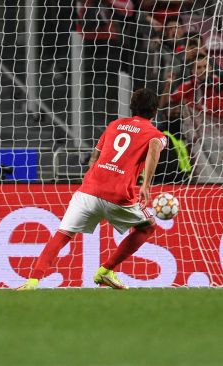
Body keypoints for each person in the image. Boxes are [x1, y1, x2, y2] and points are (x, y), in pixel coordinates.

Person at [18, 88, 167, 290]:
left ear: (132, 107)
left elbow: (94, 157)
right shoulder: (156, 134)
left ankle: (32, 281)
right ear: (155, 111)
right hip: (118, 195)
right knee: (148, 226)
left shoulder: (114, 125)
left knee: (62, 234)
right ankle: (106, 270)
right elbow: (154, 149)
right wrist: (146, 185)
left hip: (88, 190)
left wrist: (94, 179)